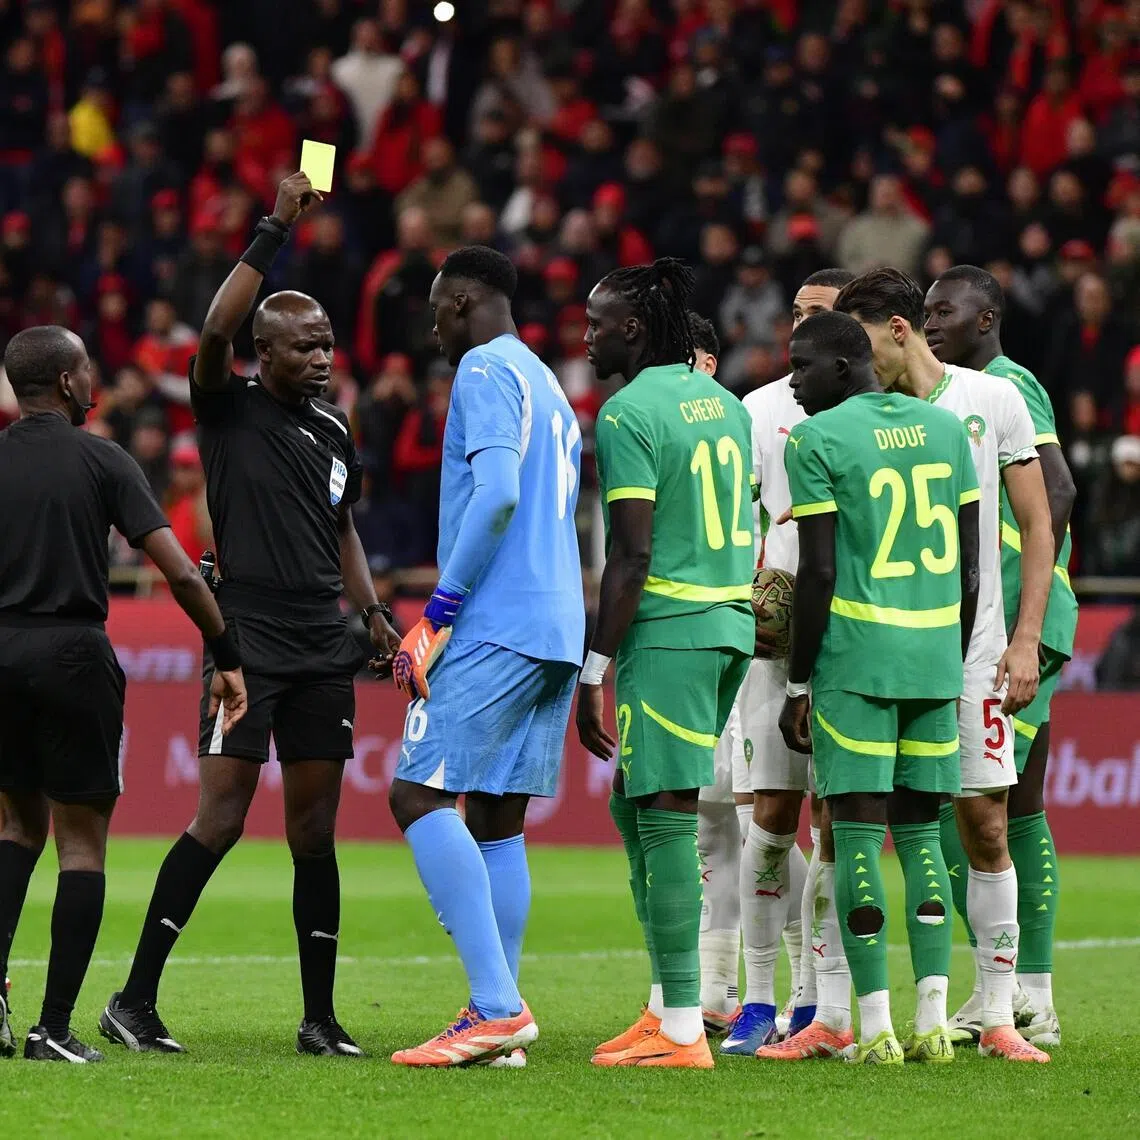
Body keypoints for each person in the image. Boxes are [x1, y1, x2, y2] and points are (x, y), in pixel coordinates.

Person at [101, 174, 400, 1058]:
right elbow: (216, 329)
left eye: (327, 344)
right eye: (304, 346)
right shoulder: (226, 408)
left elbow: (342, 525)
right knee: (222, 817)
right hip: (247, 635)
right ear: (262, 353)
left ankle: (319, 1018)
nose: (321, 358)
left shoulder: (337, 429)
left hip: (323, 637)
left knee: (314, 831)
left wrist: (373, 611)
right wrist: (275, 227)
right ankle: (134, 1000)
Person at [0, 325, 246, 1063]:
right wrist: (226, 652)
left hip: (2, 648)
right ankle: (51, 1027)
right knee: (82, 841)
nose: (95, 377)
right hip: (74, 651)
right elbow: (177, 570)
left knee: (14, 827)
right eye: (88, 369)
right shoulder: (104, 458)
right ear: (70, 384)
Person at [835, 268, 1053, 1062]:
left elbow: (1037, 524)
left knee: (985, 822)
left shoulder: (991, 401)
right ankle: (836, 1011)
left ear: (900, 330)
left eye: (865, 345)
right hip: (878, 655)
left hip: (974, 654)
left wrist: (1024, 638)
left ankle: (999, 1013)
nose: (858, 365)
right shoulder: (854, 412)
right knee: (854, 826)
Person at [386, 246, 584, 1068]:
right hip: (557, 625)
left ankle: (498, 1006)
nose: (433, 324)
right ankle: (493, 1016)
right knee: (498, 817)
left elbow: (498, 493)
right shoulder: (551, 385)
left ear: (464, 302)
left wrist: (437, 612)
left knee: (415, 793)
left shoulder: (481, 372)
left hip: (497, 621)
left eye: (438, 308)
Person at [777, 309, 982, 1064]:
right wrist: (947, 657)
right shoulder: (945, 429)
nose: (793, 381)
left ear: (843, 364)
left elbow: (821, 571)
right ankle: (932, 1021)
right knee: (924, 834)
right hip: (933, 659)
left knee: (858, 833)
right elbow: (970, 570)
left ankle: (875, 1027)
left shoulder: (818, 440)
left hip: (857, 663)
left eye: (801, 365)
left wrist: (798, 682)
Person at [578, 259, 754, 1069]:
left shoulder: (627, 413)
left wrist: (593, 667)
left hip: (672, 628)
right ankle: (664, 1006)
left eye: (598, 321)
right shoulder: (724, 405)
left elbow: (632, 551)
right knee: (634, 804)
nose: (587, 335)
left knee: (666, 811)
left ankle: (683, 1028)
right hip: (728, 625)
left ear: (636, 330)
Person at [924, 265, 1077, 1047]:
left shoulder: (1010, 385)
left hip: (1018, 622)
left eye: (945, 310)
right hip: (996, 623)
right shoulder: (949, 394)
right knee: (1008, 806)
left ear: (987, 319)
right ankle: (1020, 992)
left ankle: (1025, 993)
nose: (931, 322)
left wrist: (1028, 618)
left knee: (982, 806)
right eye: (925, 311)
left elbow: (1058, 492)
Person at [728, 268, 859, 1060]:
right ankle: (755, 1000)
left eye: (817, 316)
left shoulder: (879, 414)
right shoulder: (759, 409)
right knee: (771, 817)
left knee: (838, 825)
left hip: (852, 641)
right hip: (774, 644)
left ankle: (819, 1002)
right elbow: (741, 517)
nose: (797, 327)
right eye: (796, 313)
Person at [688, 310, 746, 1036]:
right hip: (708, 633)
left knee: (751, 823)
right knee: (710, 823)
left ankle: (813, 988)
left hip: (732, 638)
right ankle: (714, 988)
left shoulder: (742, 418)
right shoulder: (740, 415)